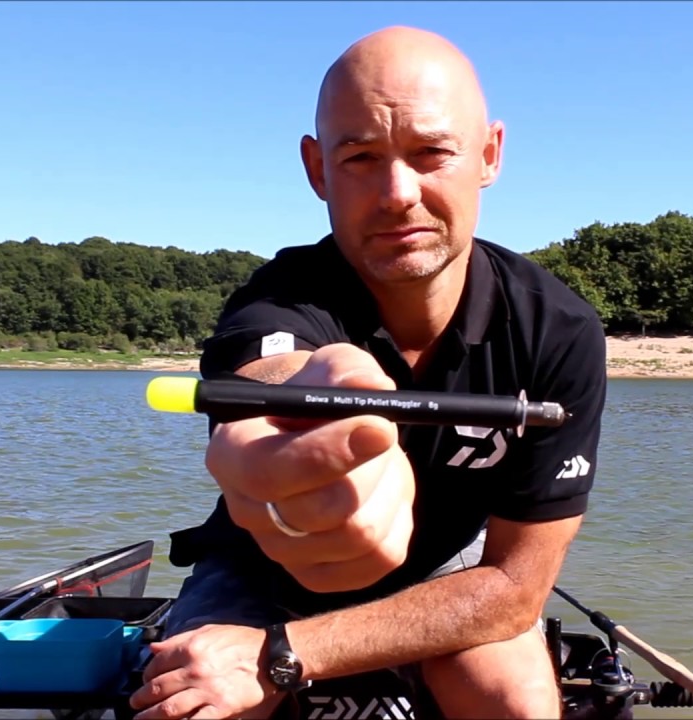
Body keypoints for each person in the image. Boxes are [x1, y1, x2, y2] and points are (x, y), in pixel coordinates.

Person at [129, 25, 607, 720]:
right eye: (359, 157)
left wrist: (283, 655)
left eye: (431, 152)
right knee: (194, 705)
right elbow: (268, 370)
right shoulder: (280, 297)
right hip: (261, 565)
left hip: (456, 572)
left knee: (518, 702)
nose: (397, 193)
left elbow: (514, 583)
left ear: (489, 155)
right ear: (317, 168)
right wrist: (314, 394)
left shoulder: (558, 331)